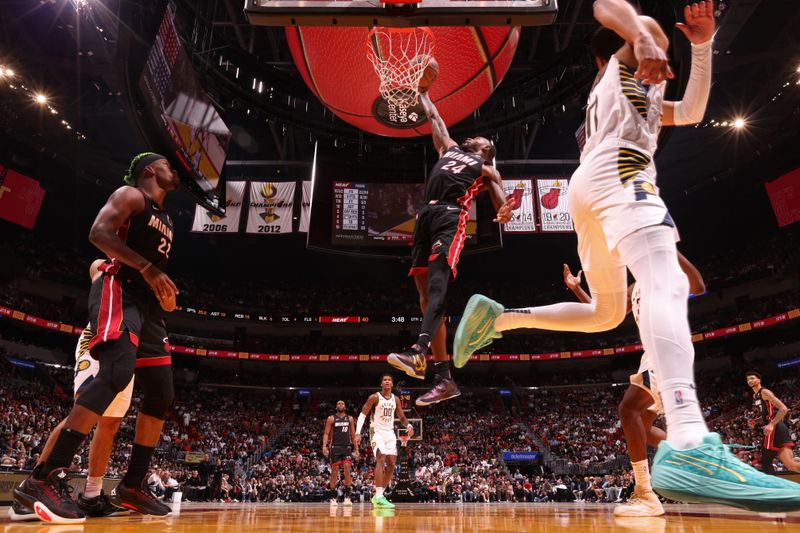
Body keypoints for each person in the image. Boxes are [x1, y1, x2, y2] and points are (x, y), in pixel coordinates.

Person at [454, 0, 800, 511]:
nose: (650, 46)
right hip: (622, 175)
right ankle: (687, 439)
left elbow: (692, 112)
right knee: (667, 281)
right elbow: (606, 6)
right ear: (613, 56)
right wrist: (642, 38)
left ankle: (502, 318)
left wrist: (701, 48)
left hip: (588, 187)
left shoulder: (622, 96)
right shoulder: (628, 60)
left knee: (606, 312)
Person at [14, 152, 181, 523]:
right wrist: (147, 267)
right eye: (167, 164)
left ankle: (132, 485)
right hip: (119, 287)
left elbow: (152, 273)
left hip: (147, 306)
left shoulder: (166, 217)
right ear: (150, 169)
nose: (174, 170)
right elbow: (98, 235)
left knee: (161, 391)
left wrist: (163, 293)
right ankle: (45, 477)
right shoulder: (132, 195)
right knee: (117, 372)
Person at [387, 85, 513, 407]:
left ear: (486, 151)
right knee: (424, 293)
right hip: (425, 215)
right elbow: (435, 118)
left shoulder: (485, 169)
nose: (475, 138)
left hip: (450, 215)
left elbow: (497, 187)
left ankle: (418, 351)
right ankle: (444, 379)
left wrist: (502, 209)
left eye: (482, 141)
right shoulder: (450, 149)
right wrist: (426, 92)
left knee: (439, 284)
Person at [564, 249, 705, 516]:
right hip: (651, 353)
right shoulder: (635, 287)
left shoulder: (665, 270)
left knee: (628, 409)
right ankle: (693, 457)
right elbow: (605, 316)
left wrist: (670, 248)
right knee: (645, 428)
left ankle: (645, 493)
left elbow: (698, 286)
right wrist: (576, 289)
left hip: (668, 348)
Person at [8, 260, 133, 522]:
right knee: (83, 410)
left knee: (110, 422)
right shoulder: (109, 264)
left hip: (129, 345)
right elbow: (97, 269)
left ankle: (91, 496)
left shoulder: (151, 274)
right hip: (102, 336)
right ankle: (29, 489)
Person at [355, 374, 414, 508]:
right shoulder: (374, 397)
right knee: (380, 457)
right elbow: (363, 414)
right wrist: (358, 432)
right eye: (385, 380)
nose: (387, 382)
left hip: (390, 433)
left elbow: (402, 417)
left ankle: (378, 496)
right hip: (376, 432)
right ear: (381, 384)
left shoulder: (396, 399)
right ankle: (380, 495)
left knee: (392, 464)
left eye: (389, 380)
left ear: (392, 384)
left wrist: (409, 425)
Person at [746, 371, 800, 475]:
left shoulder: (764, 392)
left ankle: (775, 489)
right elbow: (767, 414)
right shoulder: (755, 396)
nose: (750, 381)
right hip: (776, 428)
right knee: (791, 465)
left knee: (766, 462)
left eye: (752, 378)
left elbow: (784, 409)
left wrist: (771, 424)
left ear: (759, 380)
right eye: (748, 379)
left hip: (776, 428)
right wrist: (756, 421)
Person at [322, 400, 359, 506]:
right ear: (336, 406)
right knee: (335, 471)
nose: (340, 405)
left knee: (347, 469)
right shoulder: (331, 418)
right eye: (338, 403)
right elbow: (326, 433)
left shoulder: (350, 419)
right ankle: (333, 498)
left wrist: (356, 449)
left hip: (346, 447)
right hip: (335, 448)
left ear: (345, 406)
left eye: (342, 403)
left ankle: (347, 497)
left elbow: (353, 435)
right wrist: (324, 446)